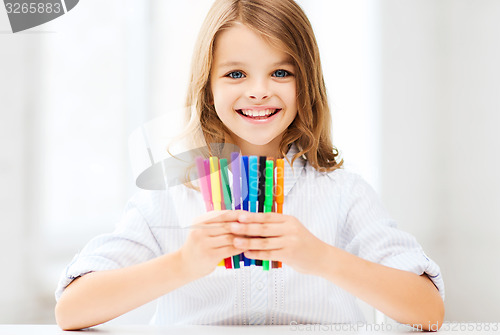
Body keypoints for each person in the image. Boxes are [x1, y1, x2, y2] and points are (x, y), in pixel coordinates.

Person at [55, 0, 445, 330]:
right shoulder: (171, 192)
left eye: (280, 72)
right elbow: (72, 310)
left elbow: (428, 311)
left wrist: (322, 257)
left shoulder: (342, 192)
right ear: (208, 88)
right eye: (236, 74)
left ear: (305, 85)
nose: (259, 90)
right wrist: (184, 263)